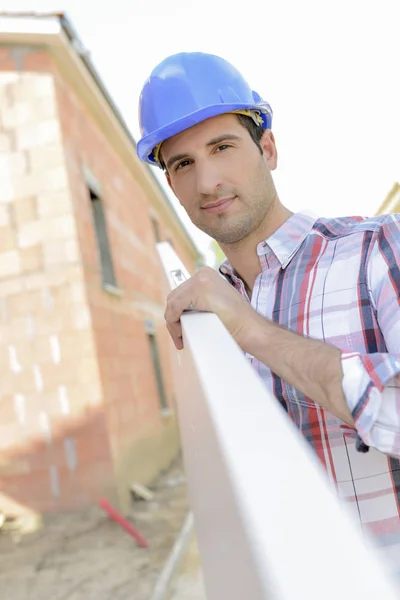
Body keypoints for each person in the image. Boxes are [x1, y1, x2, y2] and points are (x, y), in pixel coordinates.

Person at [137, 52, 400, 575]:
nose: (208, 181)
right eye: (183, 163)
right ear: (171, 184)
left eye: (223, 147)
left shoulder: (377, 249)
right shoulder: (204, 319)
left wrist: (253, 330)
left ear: (269, 149)